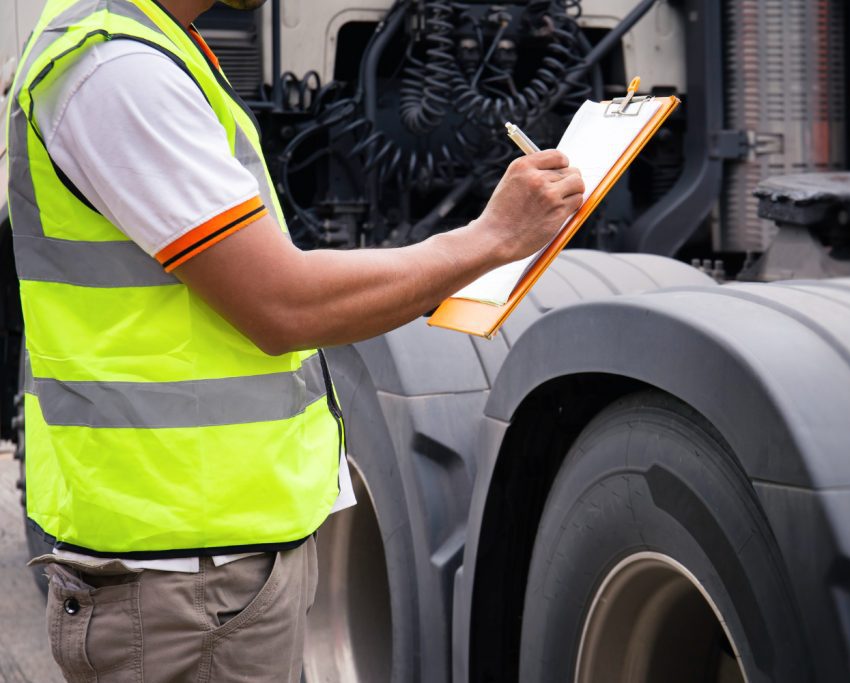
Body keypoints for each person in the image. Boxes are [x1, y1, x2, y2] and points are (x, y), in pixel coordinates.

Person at [6, 0, 584, 679]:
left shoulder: (142, 45)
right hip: (186, 587)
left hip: (202, 571)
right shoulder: (117, 69)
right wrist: (490, 239)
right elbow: (282, 304)